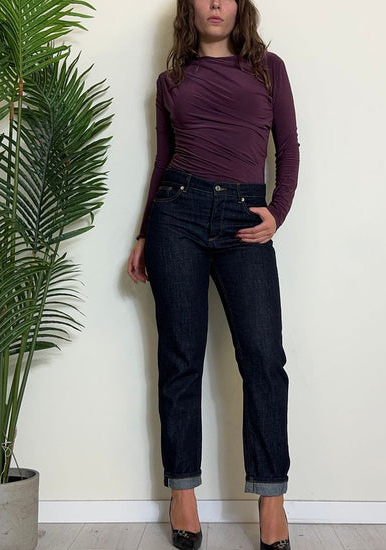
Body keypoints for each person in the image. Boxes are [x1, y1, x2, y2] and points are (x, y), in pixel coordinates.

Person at [127, 0, 299, 548]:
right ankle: (182, 493)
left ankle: (271, 500)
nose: (216, 3)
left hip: (245, 218)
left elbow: (287, 148)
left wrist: (277, 212)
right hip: (176, 215)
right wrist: (144, 233)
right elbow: (163, 161)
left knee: (264, 359)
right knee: (180, 359)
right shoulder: (171, 81)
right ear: (190, 9)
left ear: (240, 6)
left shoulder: (268, 69)